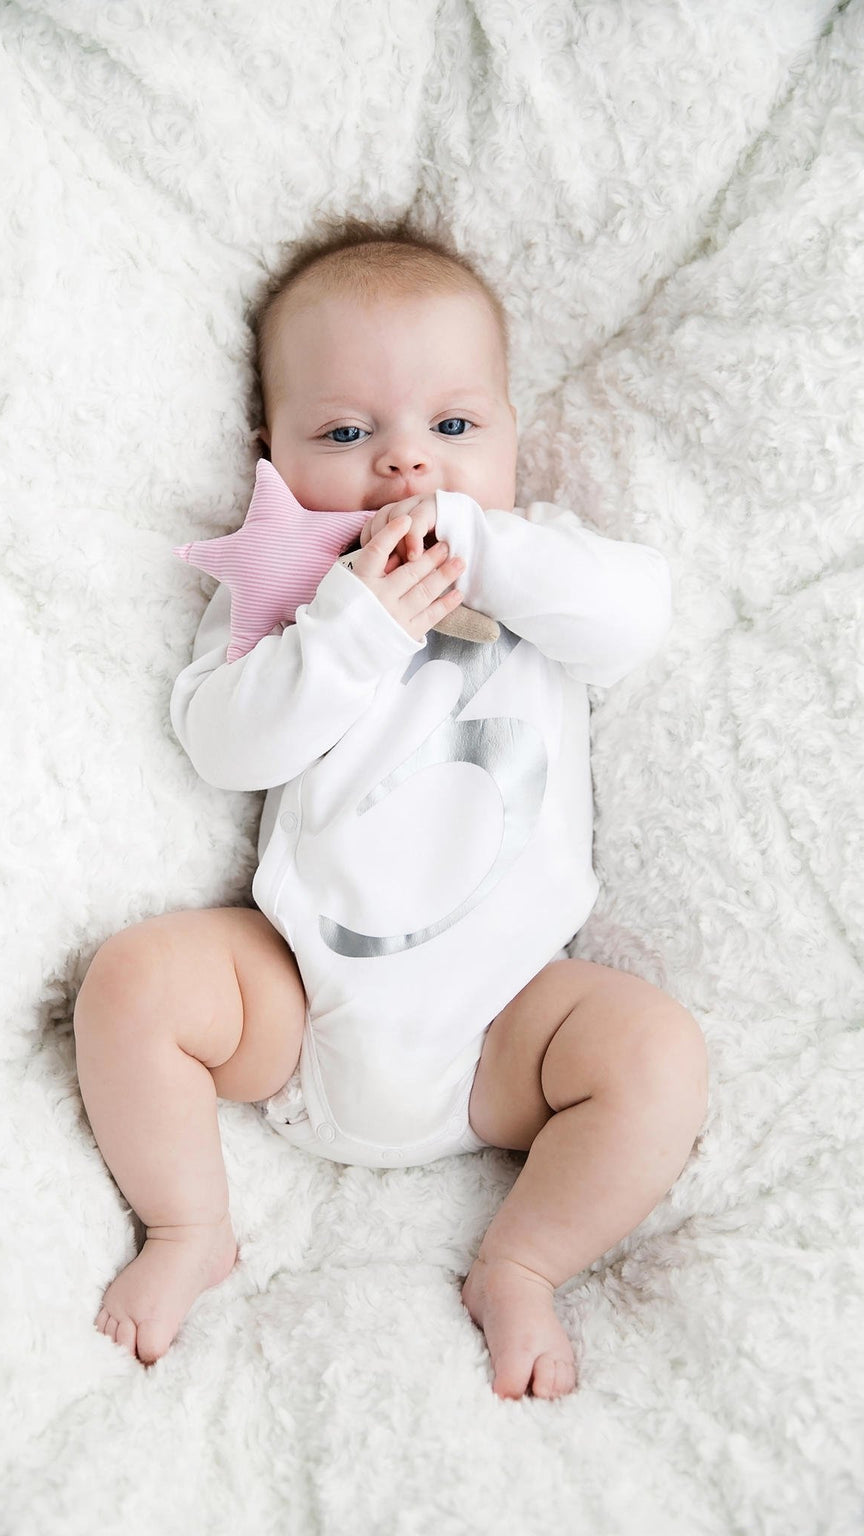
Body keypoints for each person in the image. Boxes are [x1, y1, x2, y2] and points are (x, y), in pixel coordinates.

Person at [72, 220, 708, 1399]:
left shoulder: (543, 571)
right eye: (347, 433)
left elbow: (633, 621)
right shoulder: (291, 598)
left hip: (506, 1025)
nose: (406, 467)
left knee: (657, 1056)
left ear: (514, 435)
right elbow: (224, 743)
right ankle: (187, 1225)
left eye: (454, 429)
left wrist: (489, 548)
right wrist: (350, 626)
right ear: (272, 457)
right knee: (134, 982)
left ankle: (521, 1261)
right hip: (300, 1002)